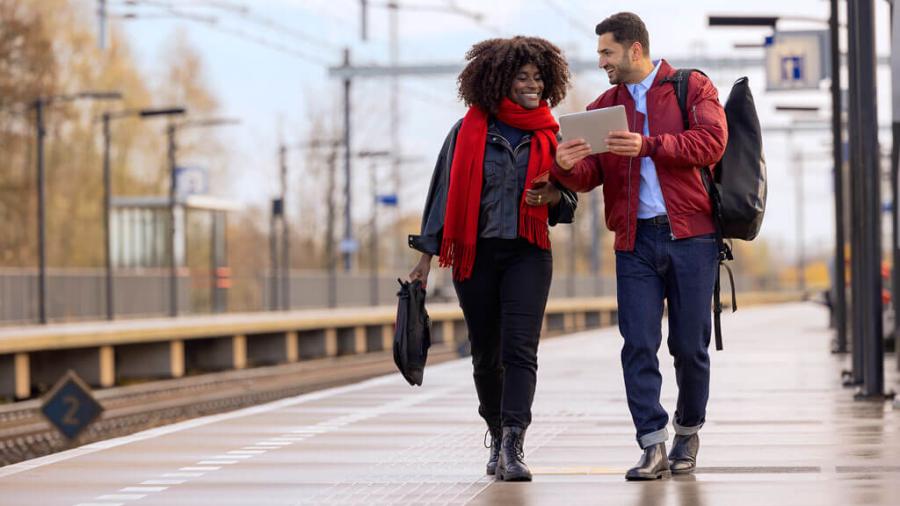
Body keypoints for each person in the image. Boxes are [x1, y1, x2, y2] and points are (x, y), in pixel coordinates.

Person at [552, 12, 728, 481]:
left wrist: (647, 145)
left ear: (634, 49)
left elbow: (712, 143)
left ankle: (687, 431)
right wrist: (566, 165)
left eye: (607, 52)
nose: (602, 61)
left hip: (692, 236)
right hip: (634, 241)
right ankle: (652, 445)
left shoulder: (690, 87)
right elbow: (588, 176)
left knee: (689, 346)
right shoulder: (601, 107)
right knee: (638, 344)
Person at [408, 36, 576, 482]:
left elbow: (570, 204)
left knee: (521, 349)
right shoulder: (466, 132)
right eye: (523, 77)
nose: (532, 86)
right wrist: (425, 259)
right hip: (475, 255)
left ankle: (514, 443)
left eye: (539, 78)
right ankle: (496, 428)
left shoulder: (552, 134)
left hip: (529, 253)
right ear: (499, 80)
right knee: (486, 352)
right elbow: (441, 196)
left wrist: (554, 195)